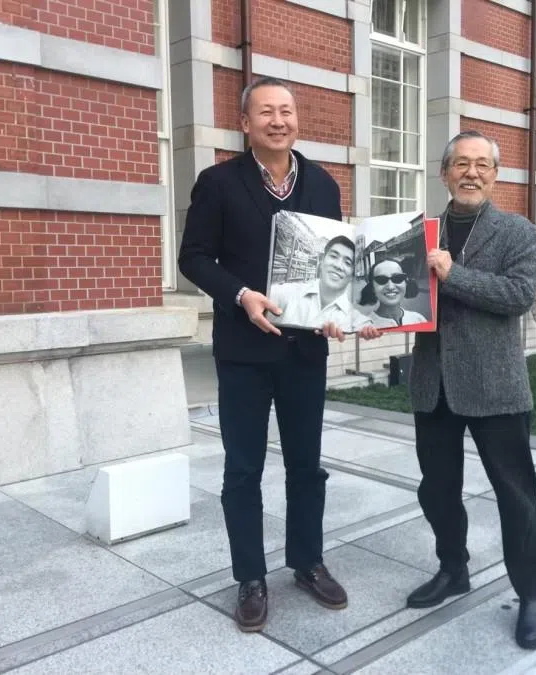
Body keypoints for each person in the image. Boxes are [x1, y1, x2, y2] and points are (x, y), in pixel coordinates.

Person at [178, 76, 381, 632]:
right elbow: (193, 258)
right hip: (243, 352)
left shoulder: (321, 184)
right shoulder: (218, 183)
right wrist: (240, 295)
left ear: (297, 120)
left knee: (305, 466)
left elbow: (335, 264)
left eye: (287, 111)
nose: (278, 120)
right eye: (265, 112)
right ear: (245, 124)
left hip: (303, 352)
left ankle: (307, 561)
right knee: (242, 469)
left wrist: (348, 315)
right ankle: (250, 577)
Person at [405, 130, 536, 650]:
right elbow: (394, 296)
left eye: (481, 165)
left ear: (495, 174)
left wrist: (453, 273)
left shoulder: (518, 232)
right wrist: (375, 317)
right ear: (444, 173)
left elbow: (519, 295)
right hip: (433, 384)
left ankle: (530, 597)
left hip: (496, 387)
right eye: (460, 163)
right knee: (437, 491)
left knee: (516, 497)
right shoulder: (415, 233)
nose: (471, 173)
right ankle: (453, 569)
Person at [269, 235, 373, 332]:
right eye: (333, 256)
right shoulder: (288, 293)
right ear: (322, 260)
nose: (338, 266)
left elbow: (365, 326)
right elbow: (267, 299)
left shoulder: (355, 319)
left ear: (352, 274)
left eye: (347, 263)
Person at [357, 258, 428, 328]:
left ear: (406, 283)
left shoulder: (419, 319)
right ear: (372, 287)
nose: (390, 287)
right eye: (381, 280)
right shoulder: (363, 327)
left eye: (398, 278)